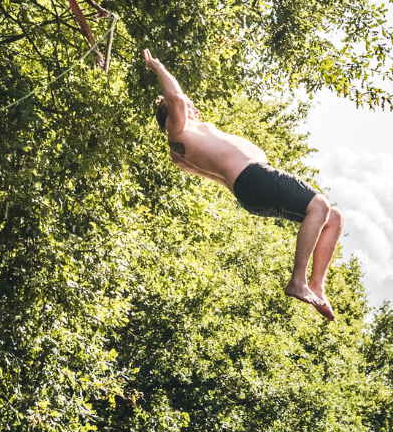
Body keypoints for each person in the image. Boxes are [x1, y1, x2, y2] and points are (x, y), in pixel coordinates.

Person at [144, 49, 342, 321]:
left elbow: (220, 175)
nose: (194, 108)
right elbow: (176, 97)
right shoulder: (178, 129)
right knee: (319, 205)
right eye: (190, 106)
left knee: (332, 219)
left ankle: (316, 284)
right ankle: (298, 281)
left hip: (249, 192)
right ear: (174, 112)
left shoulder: (182, 153)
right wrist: (158, 67)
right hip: (253, 177)